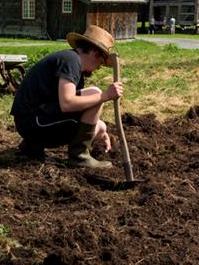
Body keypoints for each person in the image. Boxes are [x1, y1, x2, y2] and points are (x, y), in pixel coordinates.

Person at [11, 24, 123, 168]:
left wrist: (100, 128)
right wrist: (105, 96)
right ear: (95, 53)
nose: (98, 68)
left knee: (97, 113)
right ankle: (79, 156)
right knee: (95, 94)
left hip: (32, 119)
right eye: (101, 62)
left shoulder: (71, 60)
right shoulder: (71, 61)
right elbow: (67, 103)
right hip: (32, 122)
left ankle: (32, 145)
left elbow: (72, 104)